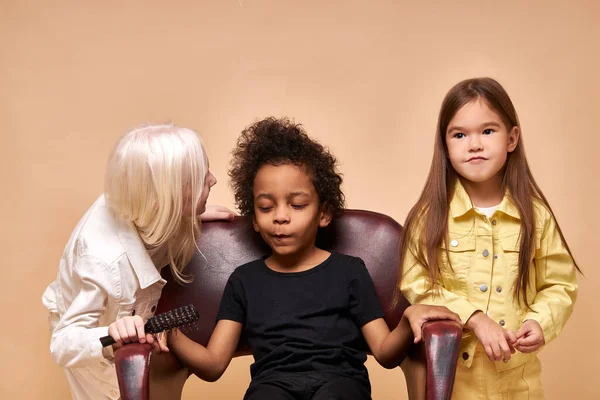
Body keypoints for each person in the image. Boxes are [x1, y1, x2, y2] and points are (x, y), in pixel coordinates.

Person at [168, 117, 461, 400]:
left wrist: (409, 319)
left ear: (323, 213)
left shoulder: (349, 272)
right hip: (272, 386)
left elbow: (384, 352)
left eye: (296, 205)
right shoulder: (244, 281)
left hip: (341, 385)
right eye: (266, 207)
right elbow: (213, 364)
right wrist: (172, 336)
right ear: (254, 219)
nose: (281, 217)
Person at [398, 78, 579, 399]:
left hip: (518, 384)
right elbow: (418, 284)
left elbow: (559, 285)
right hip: (452, 382)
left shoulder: (536, 216)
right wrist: (475, 319)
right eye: (460, 135)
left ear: (511, 139)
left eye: (487, 131)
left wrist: (540, 323)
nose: (475, 144)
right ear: (446, 145)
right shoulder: (429, 216)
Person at [42, 123, 234, 399]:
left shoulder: (142, 203)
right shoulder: (102, 261)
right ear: (167, 195)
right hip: (99, 351)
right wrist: (110, 332)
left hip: (138, 317)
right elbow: (61, 344)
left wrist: (187, 215)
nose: (213, 179)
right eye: (201, 175)